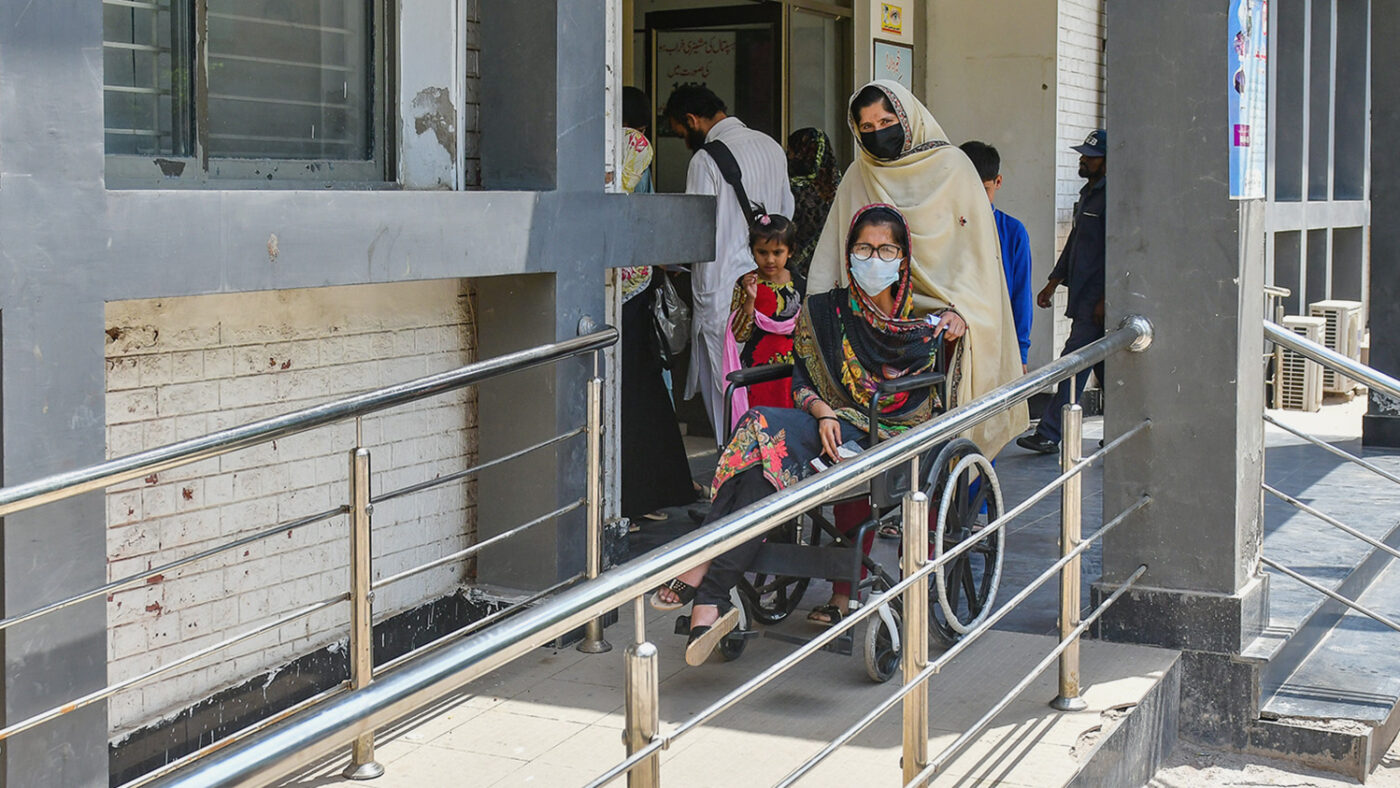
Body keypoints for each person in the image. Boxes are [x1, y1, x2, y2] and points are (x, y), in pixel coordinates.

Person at [651, 205, 947, 666]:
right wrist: (824, 410)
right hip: (821, 426)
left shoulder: (922, 329)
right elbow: (804, 379)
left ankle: (702, 575)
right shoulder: (824, 310)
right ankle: (710, 597)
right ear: (848, 255)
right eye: (864, 248)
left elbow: (913, 402)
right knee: (759, 467)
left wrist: (958, 322)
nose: (874, 258)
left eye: (885, 249)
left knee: (762, 428)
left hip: (883, 435)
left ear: (903, 259)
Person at [805, 81, 1027, 462]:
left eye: (886, 121)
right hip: (873, 326)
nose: (878, 134)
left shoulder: (954, 169)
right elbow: (832, 258)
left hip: (944, 329)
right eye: (867, 128)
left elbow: (977, 267)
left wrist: (962, 312)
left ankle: (963, 504)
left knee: (956, 439)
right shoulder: (860, 175)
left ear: (907, 120)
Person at [663, 85, 794, 443]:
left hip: (723, 293)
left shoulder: (705, 161)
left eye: (680, 133)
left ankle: (735, 468)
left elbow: (693, 232)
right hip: (769, 288)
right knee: (767, 384)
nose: (684, 140)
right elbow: (787, 214)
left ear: (692, 121)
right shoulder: (771, 147)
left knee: (727, 392)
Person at [616, 89, 696, 524]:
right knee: (644, 390)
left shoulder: (582, 141)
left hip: (590, 281)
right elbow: (643, 214)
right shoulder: (636, 145)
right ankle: (644, 495)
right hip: (633, 284)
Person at [1016, 129, 1107, 455]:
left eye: (1090, 156)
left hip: (1097, 302)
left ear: (1107, 161)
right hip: (1083, 295)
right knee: (1102, 366)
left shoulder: (1113, 196)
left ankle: (1049, 433)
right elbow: (1075, 244)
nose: (1083, 159)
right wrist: (1053, 282)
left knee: (1074, 361)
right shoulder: (1089, 193)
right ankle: (1124, 426)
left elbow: (1120, 250)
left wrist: (1105, 298)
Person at [723, 213, 800, 430]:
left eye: (778, 253)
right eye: (762, 253)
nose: (770, 260)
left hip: (791, 372)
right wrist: (750, 299)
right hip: (757, 373)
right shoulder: (745, 283)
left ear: (790, 251)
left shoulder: (801, 285)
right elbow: (739, 334)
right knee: (759, 426)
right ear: (752, 252)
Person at [960, 141, 1032, 371]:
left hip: (999, 341)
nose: (976, 199)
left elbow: (1021, 296)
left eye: (984, 189)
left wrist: (1021, 352)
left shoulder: (1012, 232)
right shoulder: (945, 228)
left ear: (998, 182)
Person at [787, 128, 842, 293]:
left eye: (791, 152)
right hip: (830, 273)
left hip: (792, 276)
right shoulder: (842, 186)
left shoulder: (791, 189)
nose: (788, 157)